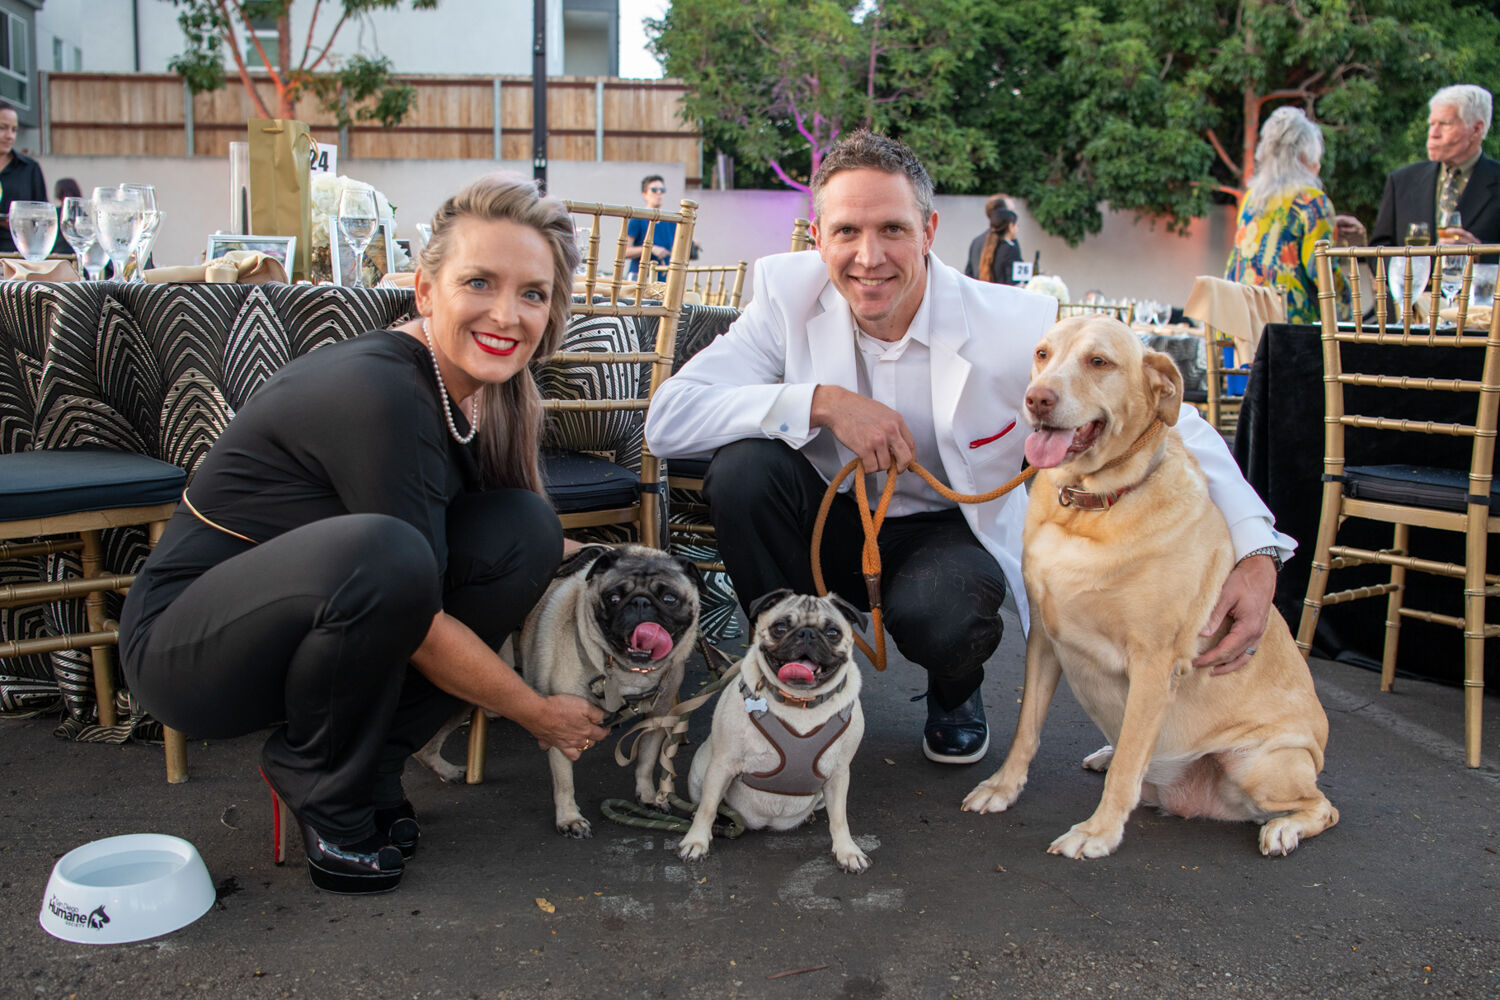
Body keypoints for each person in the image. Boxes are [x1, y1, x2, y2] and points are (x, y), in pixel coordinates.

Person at [645, 130, 1293, 766]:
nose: (868, 256)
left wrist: (1257, 552)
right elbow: (668, 420)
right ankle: (791, 681)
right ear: (820, 239)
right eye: (846, 231)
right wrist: (821, 402)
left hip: (944, 536)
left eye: (892, 230)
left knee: (946, 613)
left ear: (928, 233)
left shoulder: (1012, 324)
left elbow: (1168, 420)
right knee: (743, 470)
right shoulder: (786, 300)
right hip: (823, 525)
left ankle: (955, 692)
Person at [119, 173, 610, 895]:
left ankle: (371, 760)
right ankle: (319, 776)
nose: (508, 313)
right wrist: (535, 713)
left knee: (525, 530)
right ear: (425, 291)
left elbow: (469, 561)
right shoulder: (384, 393)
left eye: (532, 293)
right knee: (386, 555)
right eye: (480, 282)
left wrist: (617, 563)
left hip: (302, 632)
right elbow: (418, 612)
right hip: (188, 652)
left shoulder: (463, 392)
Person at [1224, 106, 1354, 323]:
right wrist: (1350, 302)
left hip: (1244, 326)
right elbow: (1321, 273)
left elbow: (1277, 231)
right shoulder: (1312, 202)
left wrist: (1328, 221)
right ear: (1305, 157)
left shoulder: (1251, 199)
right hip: (1288, 331)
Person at [1371, 85, 1500, 251]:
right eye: (1432, 124)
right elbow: (1379, 248)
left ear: (1476, 129)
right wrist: (1408, 274)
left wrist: (1480, 255)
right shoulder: (1401, 181)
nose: (1433, 133)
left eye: (1445, 124)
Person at [0, 100, 48, 254]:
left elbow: (43, 218)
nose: (10, 136)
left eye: (14, 130)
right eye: (2, 128)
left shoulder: (29, 168)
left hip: (18, 259)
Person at [624, 174, 697, 276]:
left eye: (662, 190)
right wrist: (650, 249)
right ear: (644, 194)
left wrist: (692, 245)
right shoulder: (637, 219)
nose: (659, 193)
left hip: (664, 278)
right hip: (640, 278)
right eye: (654, 190)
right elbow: (624, 252)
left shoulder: (671, 220)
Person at [964, 203, 1022, 285]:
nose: (1017, 228)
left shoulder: (977, 242)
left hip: (981, 294)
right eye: (1017, 225)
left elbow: (968, 274)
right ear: (1011, 226)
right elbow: (1015, 283)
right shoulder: (1010, 249)